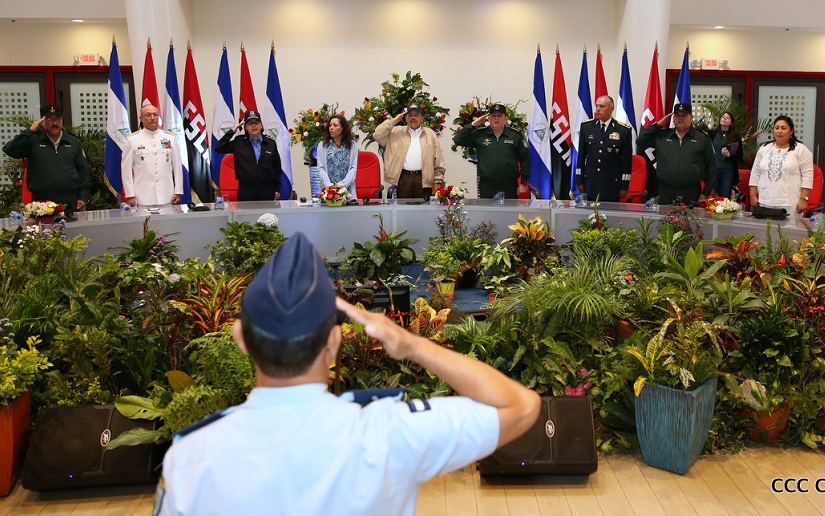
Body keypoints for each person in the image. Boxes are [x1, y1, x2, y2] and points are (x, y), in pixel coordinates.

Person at [155, 232, 540, 515]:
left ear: (240, 338)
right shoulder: (389, 433)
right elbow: (520, 406)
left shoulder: (189, 458)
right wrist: (412, 344)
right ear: (334, 342)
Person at [2, 105, 89, 211]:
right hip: (42, 203)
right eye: (49, 119)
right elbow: (9, 149)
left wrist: (82, 196)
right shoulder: (33, 141)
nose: (54, 123)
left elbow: (83, 170)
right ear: (42, 122)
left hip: (71, 200)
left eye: (58, 119)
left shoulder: (74, 142)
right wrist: (29, 131)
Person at [635, 102, 716, 205]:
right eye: (677, 115)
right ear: (673, 118)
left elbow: (712, 165)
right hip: (666, 190)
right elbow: (641, 140)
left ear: (691, 117)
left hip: (691, 191)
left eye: (684, 115)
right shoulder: (663, 136)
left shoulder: (702, 138)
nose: (680, 118)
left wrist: (706, 192)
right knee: (665, 215)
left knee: (689, 216)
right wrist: (658, 124)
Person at [453, 103, 530, 199]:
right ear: (488, 119)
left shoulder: (515, 135)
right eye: (493, 116)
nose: (496, 118)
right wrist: (473, 124)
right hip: (487, 185)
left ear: (505, 118)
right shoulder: (480, 134)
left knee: (509, 209)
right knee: (486, 209)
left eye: (500, 116)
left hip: (509, 185)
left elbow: (525, 160)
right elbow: (458, 140)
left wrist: (523, 182)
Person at [374, 103, 445, 199]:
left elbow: (438, 159)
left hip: (424, 179)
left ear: (422, 118)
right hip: (403, 179)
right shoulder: (396, 132)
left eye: (416, 115)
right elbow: (377, 135)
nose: (413, 118)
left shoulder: (430, 134)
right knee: (403, 207)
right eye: (410, 115)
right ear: (406, 118)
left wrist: (438, 180)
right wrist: (393, 121)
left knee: (424, 207)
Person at [749, 115, 813, 216]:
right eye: (777, 128)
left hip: (790, 205)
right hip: (764, 202)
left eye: (783, 128)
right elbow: (755, 173)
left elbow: (808, 175)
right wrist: (753, 196)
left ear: (791, 131)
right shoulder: (764, 148)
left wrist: (804, 199)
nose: (779, 131)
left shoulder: (800, 149)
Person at [120, 105, 183, 207]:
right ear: (141, 119)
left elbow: (177, 168)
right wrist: (130, 194)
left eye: (155, 115)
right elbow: (126, 170)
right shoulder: (132, 140)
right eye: (148, 115)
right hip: (142, 197)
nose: (152, 118)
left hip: (167, 195)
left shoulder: (170, 138)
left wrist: (178, 191)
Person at [574, 95, 633, 202]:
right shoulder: (587, 127)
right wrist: (579, 179)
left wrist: (624, 186)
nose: (598, 109)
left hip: (611, 184)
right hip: (591, 182)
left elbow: (626, 161)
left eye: (602, 106)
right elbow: (581, 156)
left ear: (611, 109)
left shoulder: (623, 130)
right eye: (597, 106)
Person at [214, 110, 281, 201]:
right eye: (250, 123)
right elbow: (218, 148)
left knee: (267, 211)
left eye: (256, 123)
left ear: (261, 126)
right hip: (246, 189)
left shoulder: (270, 143)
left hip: (267, 189)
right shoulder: (239, 142)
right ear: (245, 127)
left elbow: (277, 167)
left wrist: (277, 188)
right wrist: (232, 131)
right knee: (245, 211)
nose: (254, 125)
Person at [317, 114, 358, 198]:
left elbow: (353, 169)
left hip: (347, 191)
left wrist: (340, 187)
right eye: (330, 125)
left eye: (335, 125)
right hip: (328, 192)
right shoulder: (323, 145)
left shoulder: (352, 145)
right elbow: (321, 168)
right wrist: (330, 187)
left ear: (342, 128)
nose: (331, 128)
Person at [709, 111, 743, 199]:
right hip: (713, 169)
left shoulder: (735, 136)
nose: (725, 119)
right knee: (713, 196)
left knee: (725, 198)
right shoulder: (712, 134)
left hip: (728, 171)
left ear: (731, 123)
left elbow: (740, 156)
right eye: (723, 117)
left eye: (728, 118)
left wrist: (729, 155)